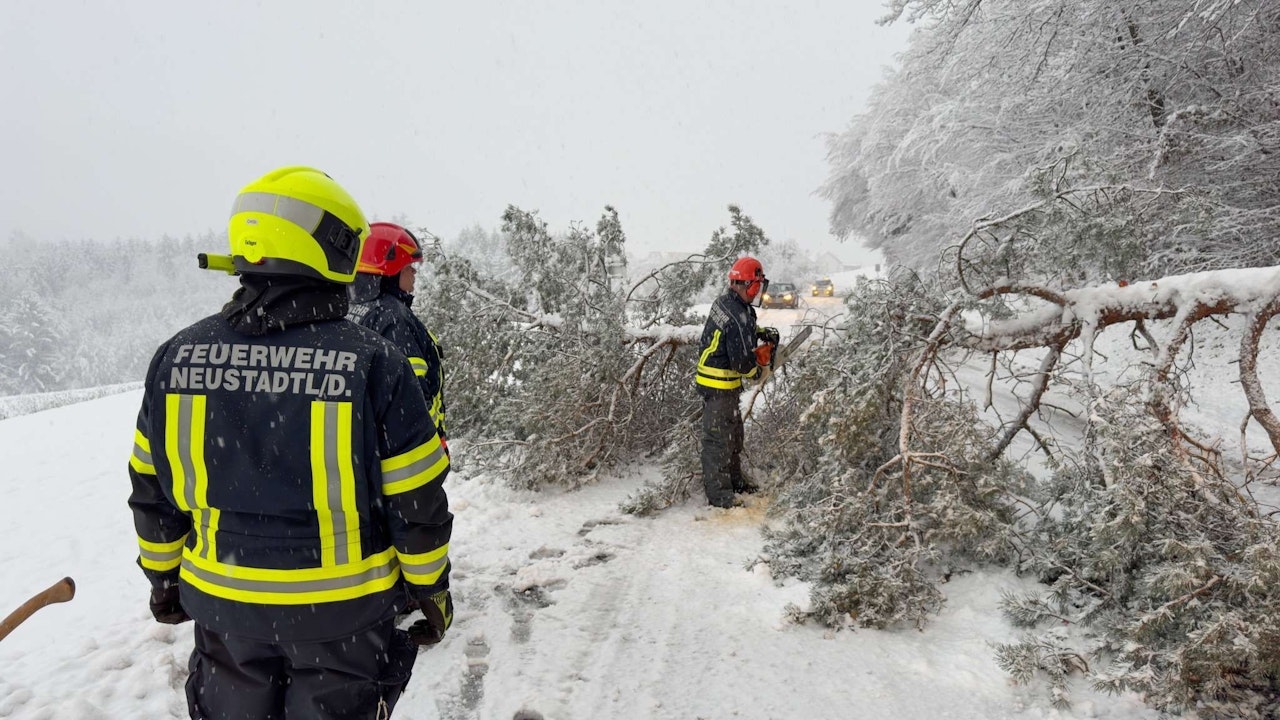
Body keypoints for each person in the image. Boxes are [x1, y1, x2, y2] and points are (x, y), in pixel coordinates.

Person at [127, 166, 453, 720]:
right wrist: (431, 592)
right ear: (333, 248)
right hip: (343, 618)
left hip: (225, 612)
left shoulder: (176, 358)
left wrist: (163, 580)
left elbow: (151, 490)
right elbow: (415, 501)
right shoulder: (373, 362)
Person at [348, 222, 448, 448]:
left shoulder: (350, 309)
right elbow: (413, 396)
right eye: (409, 267)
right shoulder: (394, 319)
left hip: (368, 446)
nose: (414, 273)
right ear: (389, 271)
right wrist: (432, 439)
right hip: (412, 449)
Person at [695, 256, 779, 508]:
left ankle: (735, 482)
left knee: (733, 437)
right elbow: (742, 363)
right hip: (718, 385)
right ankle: (720, 497)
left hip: (723, 385)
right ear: (750, 285)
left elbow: (740, 332)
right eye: (757, 286)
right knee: (717, 442)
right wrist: (759, 370)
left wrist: (760, 333)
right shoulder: (736, 315)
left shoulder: (727, 303)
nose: (758, 291)